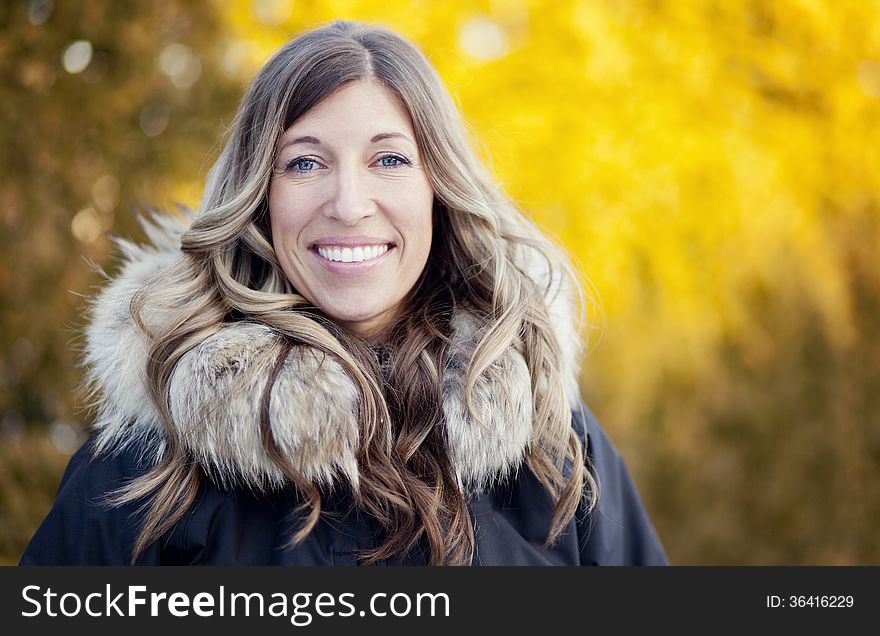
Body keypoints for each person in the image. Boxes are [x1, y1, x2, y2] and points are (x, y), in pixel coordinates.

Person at [20, 20, 667, 566]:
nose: (350, 205)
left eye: (389, 160)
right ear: (259, 197)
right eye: (305, 162)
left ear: (437, 190)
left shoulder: (555, 449)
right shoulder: (148, 467)